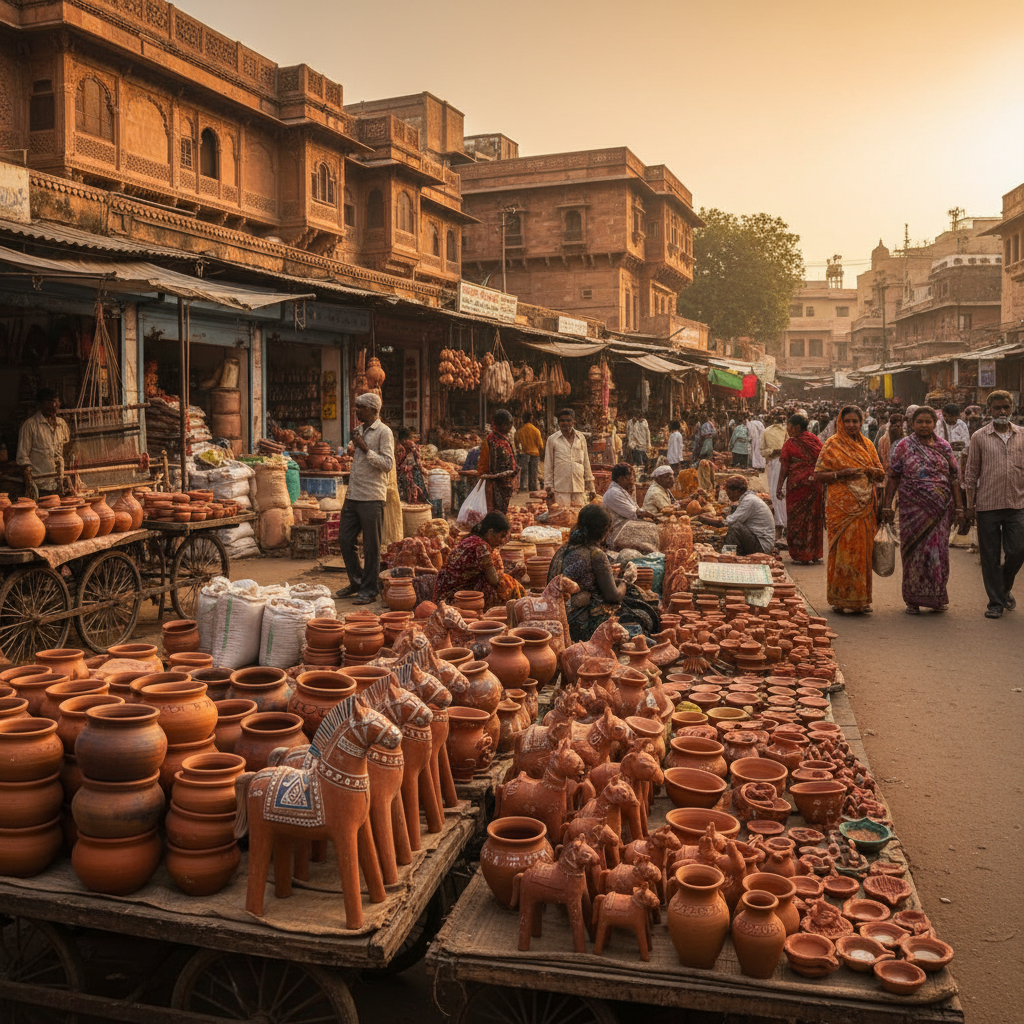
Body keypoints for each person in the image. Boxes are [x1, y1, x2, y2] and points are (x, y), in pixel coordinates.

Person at [881, 407, 963, 615]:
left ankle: (936, 596)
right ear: (912, 423)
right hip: (911, 509)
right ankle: (913, 599)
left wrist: (961, 507)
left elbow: (954, 477)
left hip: (940, 510)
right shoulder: (904, 446)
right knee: (914, 553)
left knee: (939, 552)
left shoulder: (944, 446)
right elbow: (893, 476)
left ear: (935, 424)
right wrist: (886, 505)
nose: (924, 425)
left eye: (928, 422)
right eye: (920, 422)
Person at [548, 504, 660, 642]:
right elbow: (614, 597)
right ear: (603, 531)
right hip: (580, 625)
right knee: (643, 617)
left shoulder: (562, 550)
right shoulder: (595, 554)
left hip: (556, 619)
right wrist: (626, 581)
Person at [813, 405, 885, 614]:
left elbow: (880, 473)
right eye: (848, 421)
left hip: (864, 507)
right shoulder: (832, 444)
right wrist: (841, 474)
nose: (852, 425)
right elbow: (818, 475)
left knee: (862, 552)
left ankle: (860, 599)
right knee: (843, 552)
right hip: (840, 508)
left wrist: (872, 471)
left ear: (861, 423)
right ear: (840, 423)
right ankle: (840, 598)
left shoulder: (868, 445)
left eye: (855, 421)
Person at [963, 390, 1024, 618]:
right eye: (997, 408)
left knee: (1018, 550)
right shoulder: (979, 437)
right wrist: (970, 506)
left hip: (1017, 504)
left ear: (1012, 408)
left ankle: (1005, 587)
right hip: (987, 505)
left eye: (1005, 407)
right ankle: (995, 603)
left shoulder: (1022, 435)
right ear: (989, 410)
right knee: (989, 557)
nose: (1002, 411)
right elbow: (971, 473)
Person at [337, 393, 395, 604]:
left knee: (372, 546)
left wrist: (364, 447)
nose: (356, 412)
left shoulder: (384, 432)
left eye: (360, 408)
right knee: (344, 538)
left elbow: (388, 464)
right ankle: (357, 581)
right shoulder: (359, 431)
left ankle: (370, 590)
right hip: (353, 494)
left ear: (372, 410)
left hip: (372, 496)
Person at [434, 511, 524, 609]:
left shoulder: (471, 539)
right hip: (456, 598)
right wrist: (513, 575)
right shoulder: (481, 547)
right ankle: (518, 607)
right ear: (490, 532)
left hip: (444, 594)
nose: (502, 541)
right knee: (506, 583)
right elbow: (494, 581)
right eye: (501, 536)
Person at [777, 413, 824, 564]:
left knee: (797, 517)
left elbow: (784, 466)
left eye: (789, 426)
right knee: (814, 517)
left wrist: (779, 486)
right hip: (815, 483)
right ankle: (815, 552)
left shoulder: (791, 443)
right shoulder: (815, 440)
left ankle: (802, 554)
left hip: (797, 486)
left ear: (797, 427)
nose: (788, 429)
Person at [700, 476, 776, 555]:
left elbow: (729, 522)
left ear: (738, 491)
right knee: (733, 514)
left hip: (762, 545)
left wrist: (705, 519)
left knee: (735, 527)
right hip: (758, 540)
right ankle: (733, 553)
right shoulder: (748, 499)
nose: (728, 496)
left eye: (729, 493)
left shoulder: (749, 501)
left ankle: (728, 557)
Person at [17, 388, 71, 498]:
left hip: (60, 485)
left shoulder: (62, 424)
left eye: (56, 401)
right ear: (40, 404)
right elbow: (22, 457)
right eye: (50, 401)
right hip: (40, 487)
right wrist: (30, 484)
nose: (54, 405)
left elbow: (66, 450)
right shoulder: (30, 426)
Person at [544, 408, 594, 507]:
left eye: (568, 420)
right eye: (562, 420)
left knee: (578, 515)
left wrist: (591, 487)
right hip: (561, 488)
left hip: (579, 486)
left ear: (573, 422)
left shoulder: (581, 438)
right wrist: (548, 487)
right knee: (563, 517)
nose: (565, 423)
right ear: (558, 422)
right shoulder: (552, 440)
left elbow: (586, 462)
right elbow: (548, 464)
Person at [477, 409, 518, 514]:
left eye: (510, 424)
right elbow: (503, 466)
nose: (509, 428)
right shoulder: (497, 442)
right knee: (498, 511)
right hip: (499, 484)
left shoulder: (493, 439)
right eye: (507, 425)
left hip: (499, 482)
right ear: (499, 425)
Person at [602, 462, 655, 540]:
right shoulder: (613, 492)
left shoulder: (621, 490)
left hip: (626, 527)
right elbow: (633, 513)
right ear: (620, 478)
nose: (632, 478)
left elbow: (636, 510)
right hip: (617, 533)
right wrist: (653, 517)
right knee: (652, 529)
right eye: (630, 476)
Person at [761, 410, 788, 538]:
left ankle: (784, 524)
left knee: (782, 493)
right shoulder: (767, 431)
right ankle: (780, 523)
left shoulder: (788, 430)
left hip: (785, 463)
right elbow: (762, 450)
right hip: (774, 463)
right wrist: (773, 452)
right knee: (775, 494)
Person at [395, 428, 426, 503]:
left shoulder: (408, 449)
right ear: (404, 440)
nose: (413, 442)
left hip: (405, 475)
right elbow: (397, 467)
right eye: (411, 439)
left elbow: (418, 461)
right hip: (399, 477)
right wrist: (410, 467)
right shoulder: (399, 449)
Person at [516, 411, 544, 492]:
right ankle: (533, 487)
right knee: (533, 472)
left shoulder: (520, 431)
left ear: (523, 419)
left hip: (524, 453)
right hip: (535, 453)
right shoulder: (536, 430)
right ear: (531, 419)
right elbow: (541, 445)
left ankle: (523, 487)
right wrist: (541, 452)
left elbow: (517, 444)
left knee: (524, 472)